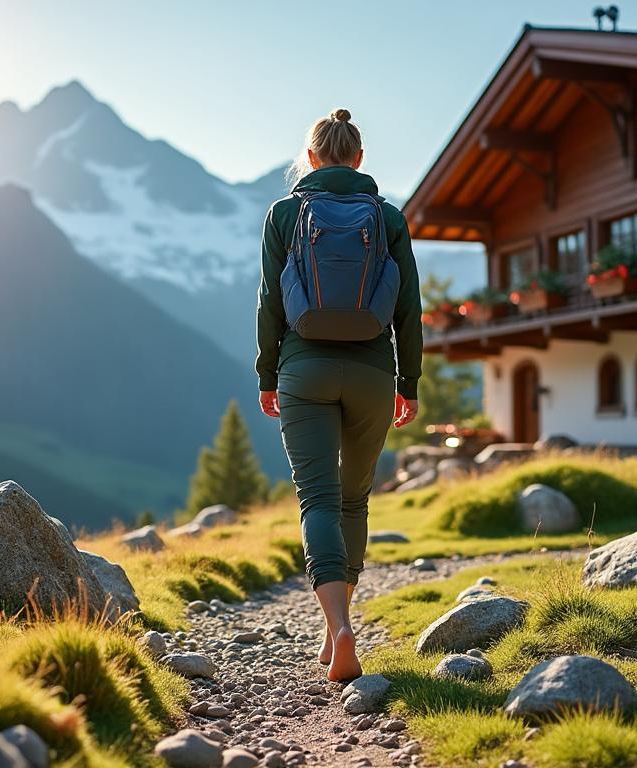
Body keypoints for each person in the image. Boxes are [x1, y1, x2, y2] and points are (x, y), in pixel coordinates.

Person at [255, 109, 422, 681]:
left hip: (304, 370)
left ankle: (339, 627)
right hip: (373, 373)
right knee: (354, 501)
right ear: (358, 159)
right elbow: (409, 307)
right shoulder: (388, 217)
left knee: (319, 501)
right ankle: (338, 630)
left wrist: (268, 374)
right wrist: (408, 382)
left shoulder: (284, 214)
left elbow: (270, 301)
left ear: (310, 158)